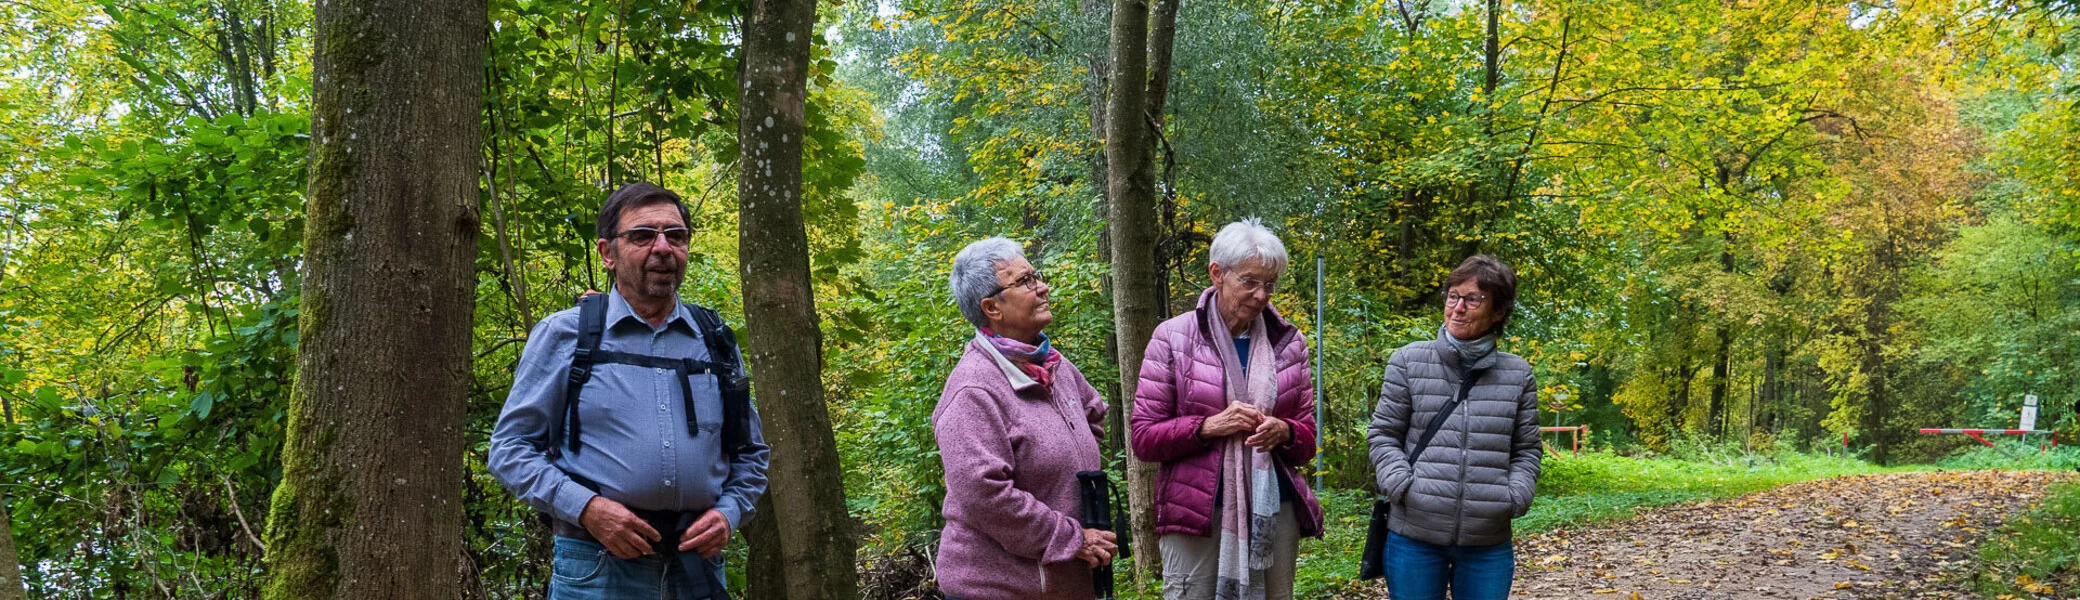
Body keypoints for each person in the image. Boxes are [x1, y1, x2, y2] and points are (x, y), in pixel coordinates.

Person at [489, 182, 769, 600]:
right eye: (642, 236)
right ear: (607, 253)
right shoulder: (567, 335)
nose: (662, 248)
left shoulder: (714, 340)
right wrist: (587, 509)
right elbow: (509, 449)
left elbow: (751, 454)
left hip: (697, 570)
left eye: (676, 236)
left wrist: (729, 514)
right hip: (596, 568)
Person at [1130, 219, 1323, 600]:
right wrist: (1208, 426)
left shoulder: (1290, 342)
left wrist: (1284, 431)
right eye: (1249, 281)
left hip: (1273, 509)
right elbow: (1143, 438)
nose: (1262, 295)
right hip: (1196, 512)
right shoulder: (1172, 337)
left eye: (1270, 284)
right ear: (1217, 274)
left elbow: (1307, 440)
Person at [933, 237, 1117, 600]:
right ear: (992, 308)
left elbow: (1092, 412)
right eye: (1025, 281)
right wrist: (1069, 537)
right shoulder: (973, 390)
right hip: (996, 588)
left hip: (1063, 584)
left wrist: (1068, 457)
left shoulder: (1050, 364)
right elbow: (984, 496)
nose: (1043, 287)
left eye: (1036, 276)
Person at [1366, 254, 1542, 600]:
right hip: (1414, 535)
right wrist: (1402, 486)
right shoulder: (1408, 361)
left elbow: (1526, 450)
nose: (1458, 308)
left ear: (1499, 311)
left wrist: (1514, 497)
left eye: (1473, 299)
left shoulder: (1518, 374)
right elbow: (1383, 435)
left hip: (1487, 541)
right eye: (1452, 296)